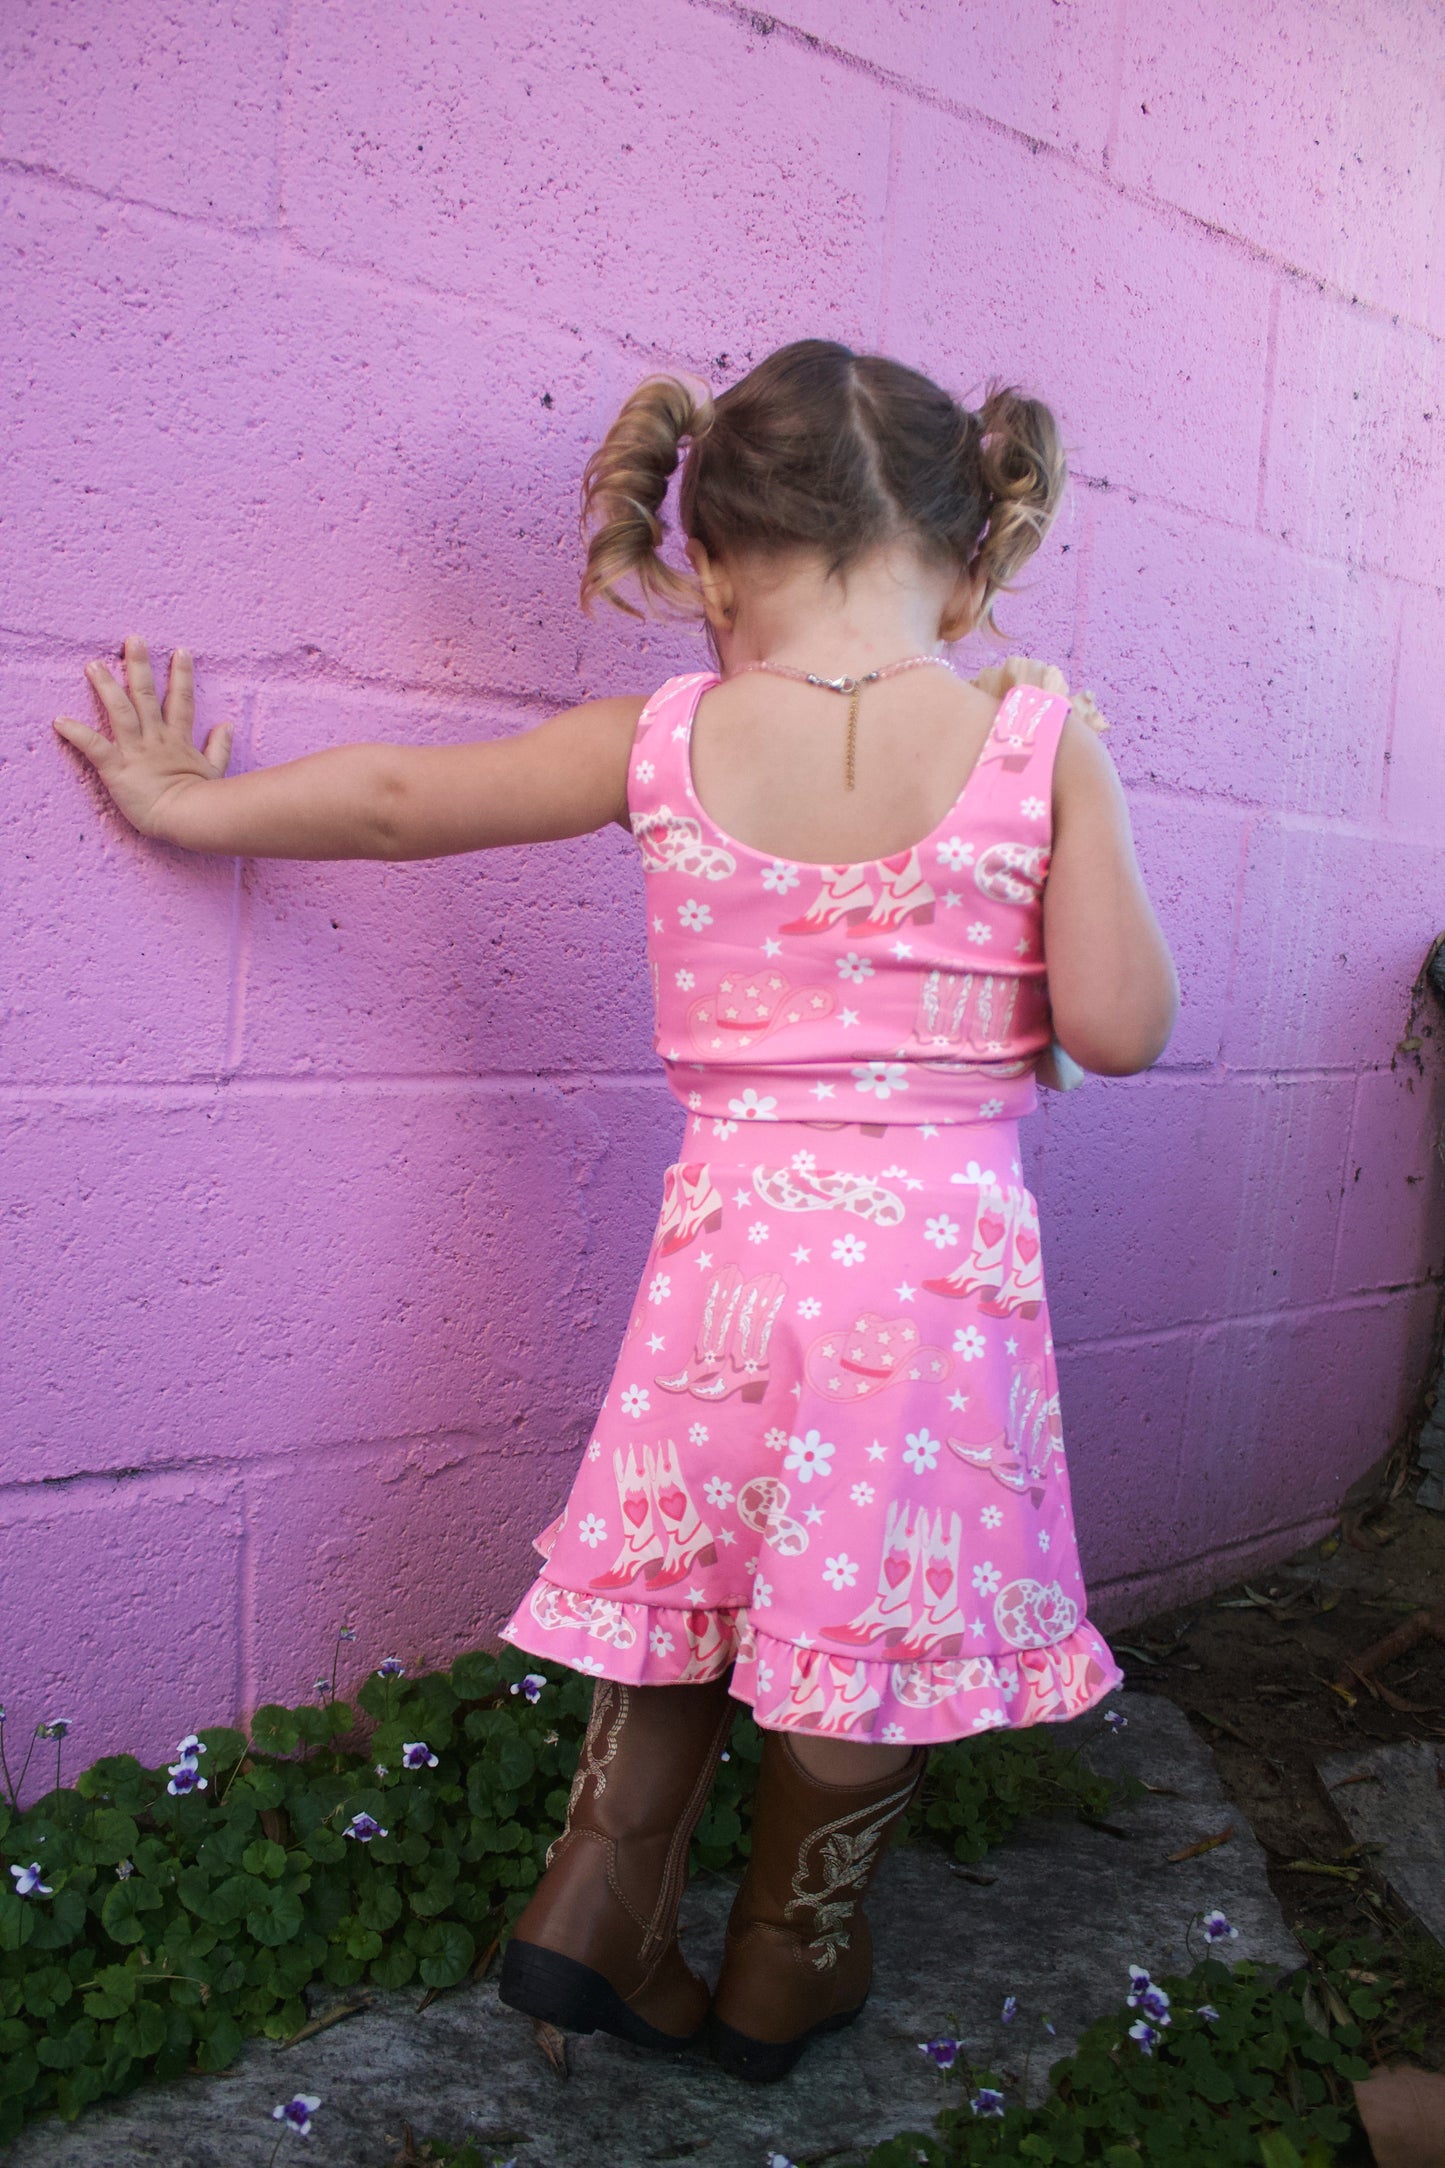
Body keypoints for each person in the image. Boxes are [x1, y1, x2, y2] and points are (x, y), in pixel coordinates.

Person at [54, 338, 1178, 2084]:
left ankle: (598, 1888)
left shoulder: (664, 738)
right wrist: (1083, 789)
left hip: (725, 1260)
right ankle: (787, 1959)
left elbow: (403, 803)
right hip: (933, 1278)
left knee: (689, 1576)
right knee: (860, 1610)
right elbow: (1117, 1027)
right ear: (968, 565)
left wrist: (186, 802)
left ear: (709, 560)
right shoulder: (1031, 744)